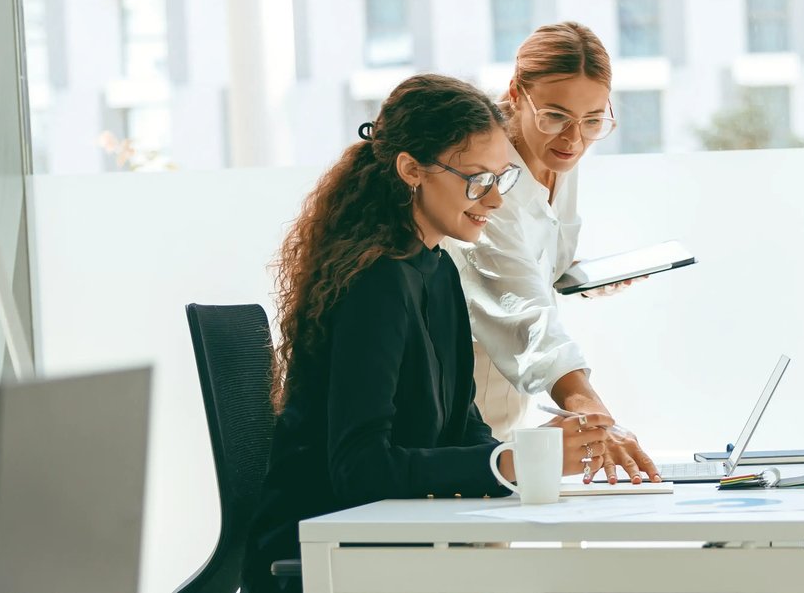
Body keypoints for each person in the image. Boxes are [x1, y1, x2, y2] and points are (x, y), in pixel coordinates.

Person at [243, 74, 616, 592]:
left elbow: (464, 426)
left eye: (502, 179)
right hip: (324, 559)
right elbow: (361, 469)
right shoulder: (375, 282)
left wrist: (528, 457)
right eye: (477, 180)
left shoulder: (438, 269)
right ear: (411, 170)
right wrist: (506, 463)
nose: (495, 201)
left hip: (386, 549)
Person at [449, 21, 659, 483]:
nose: (573, 139)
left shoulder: (559, 158)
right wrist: (595, 416)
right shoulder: (488, 183)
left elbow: (534, 258)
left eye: (592, 121)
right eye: (555, 116)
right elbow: (522, 312)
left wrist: (574, 274)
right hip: (468, 397)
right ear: (516, 93)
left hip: (514, 400)